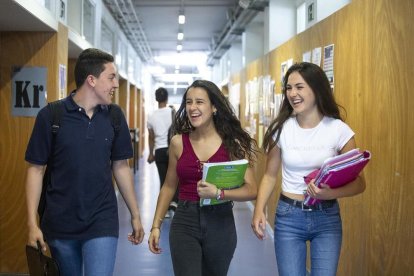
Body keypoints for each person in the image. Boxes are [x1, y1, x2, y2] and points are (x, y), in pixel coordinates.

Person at [25, 48, 145, 276]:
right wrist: (32, 223)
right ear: (91, 80)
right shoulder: (51, 116)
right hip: (60, 222)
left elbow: (120, 167)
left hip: (102, 219)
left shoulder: (114, 117)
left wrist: (136, 215)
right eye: (111, 77)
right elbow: (36, 170)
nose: (116, 84)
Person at [251, 62, 366, 276]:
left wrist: (329, 193)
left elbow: (360, 183)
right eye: (288, 88)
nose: (292, 93)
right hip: (288, 215)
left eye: (299, 87)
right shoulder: (282, 129)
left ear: (316, 88)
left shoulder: (339, 130)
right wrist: (259, 210)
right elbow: (269, 175)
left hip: (327, 217)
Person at [148, 80, 258, 276]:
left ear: (214, 107)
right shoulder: (178, 142)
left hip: (220, 222)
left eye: (199, 102)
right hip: (185, 220)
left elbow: (251, 189)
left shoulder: (233, 144)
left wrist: (219, 193)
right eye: (189, 102)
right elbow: (168, 187)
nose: (192, 107)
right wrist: (156, 225)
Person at [147, 87, 178, 217]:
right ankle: (174, 202)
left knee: (163, 180)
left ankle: (163, 210)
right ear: (166, 98)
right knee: (175, 178)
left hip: (159, 151)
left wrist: (150, 153)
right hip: (173, 149)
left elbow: (151, 136)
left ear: (156, 99)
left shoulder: (151, 116)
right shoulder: (172, 112)